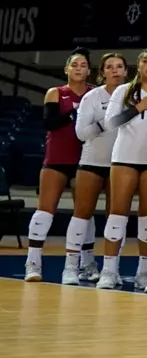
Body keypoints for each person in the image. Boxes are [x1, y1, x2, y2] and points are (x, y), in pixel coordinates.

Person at [96, 50, 147, 290]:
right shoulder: (123, 90)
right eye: (145, 61)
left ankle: (144, 272)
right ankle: (109, 270)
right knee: (117, 213)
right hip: (124, 158)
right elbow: (110, 123)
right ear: (138, 66)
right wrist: (139, 107)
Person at [25, 52, 93, 283]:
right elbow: (50, 123)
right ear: (66, 69)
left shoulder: (95, 94)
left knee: (84, 213)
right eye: (74, 65)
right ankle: (33, 263)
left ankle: (86, 262)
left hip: (85, 160)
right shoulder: (56, 93)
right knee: (45, 210)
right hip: (56, 158)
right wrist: (76, 113)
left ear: (89, 71)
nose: (78, 68)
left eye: (83, 65)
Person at [68, 52, 129, 284]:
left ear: (126, 71)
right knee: (81, 214)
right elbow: (81, 133)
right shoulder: (92, 97)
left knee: (115, 217)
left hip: (122, 164)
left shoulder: (133, 96)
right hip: (92, 161)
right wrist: (110, 121)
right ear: (102, 72)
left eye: (119, 66)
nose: (114, 70)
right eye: (109, 67)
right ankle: (72, 267)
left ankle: (111, 270)